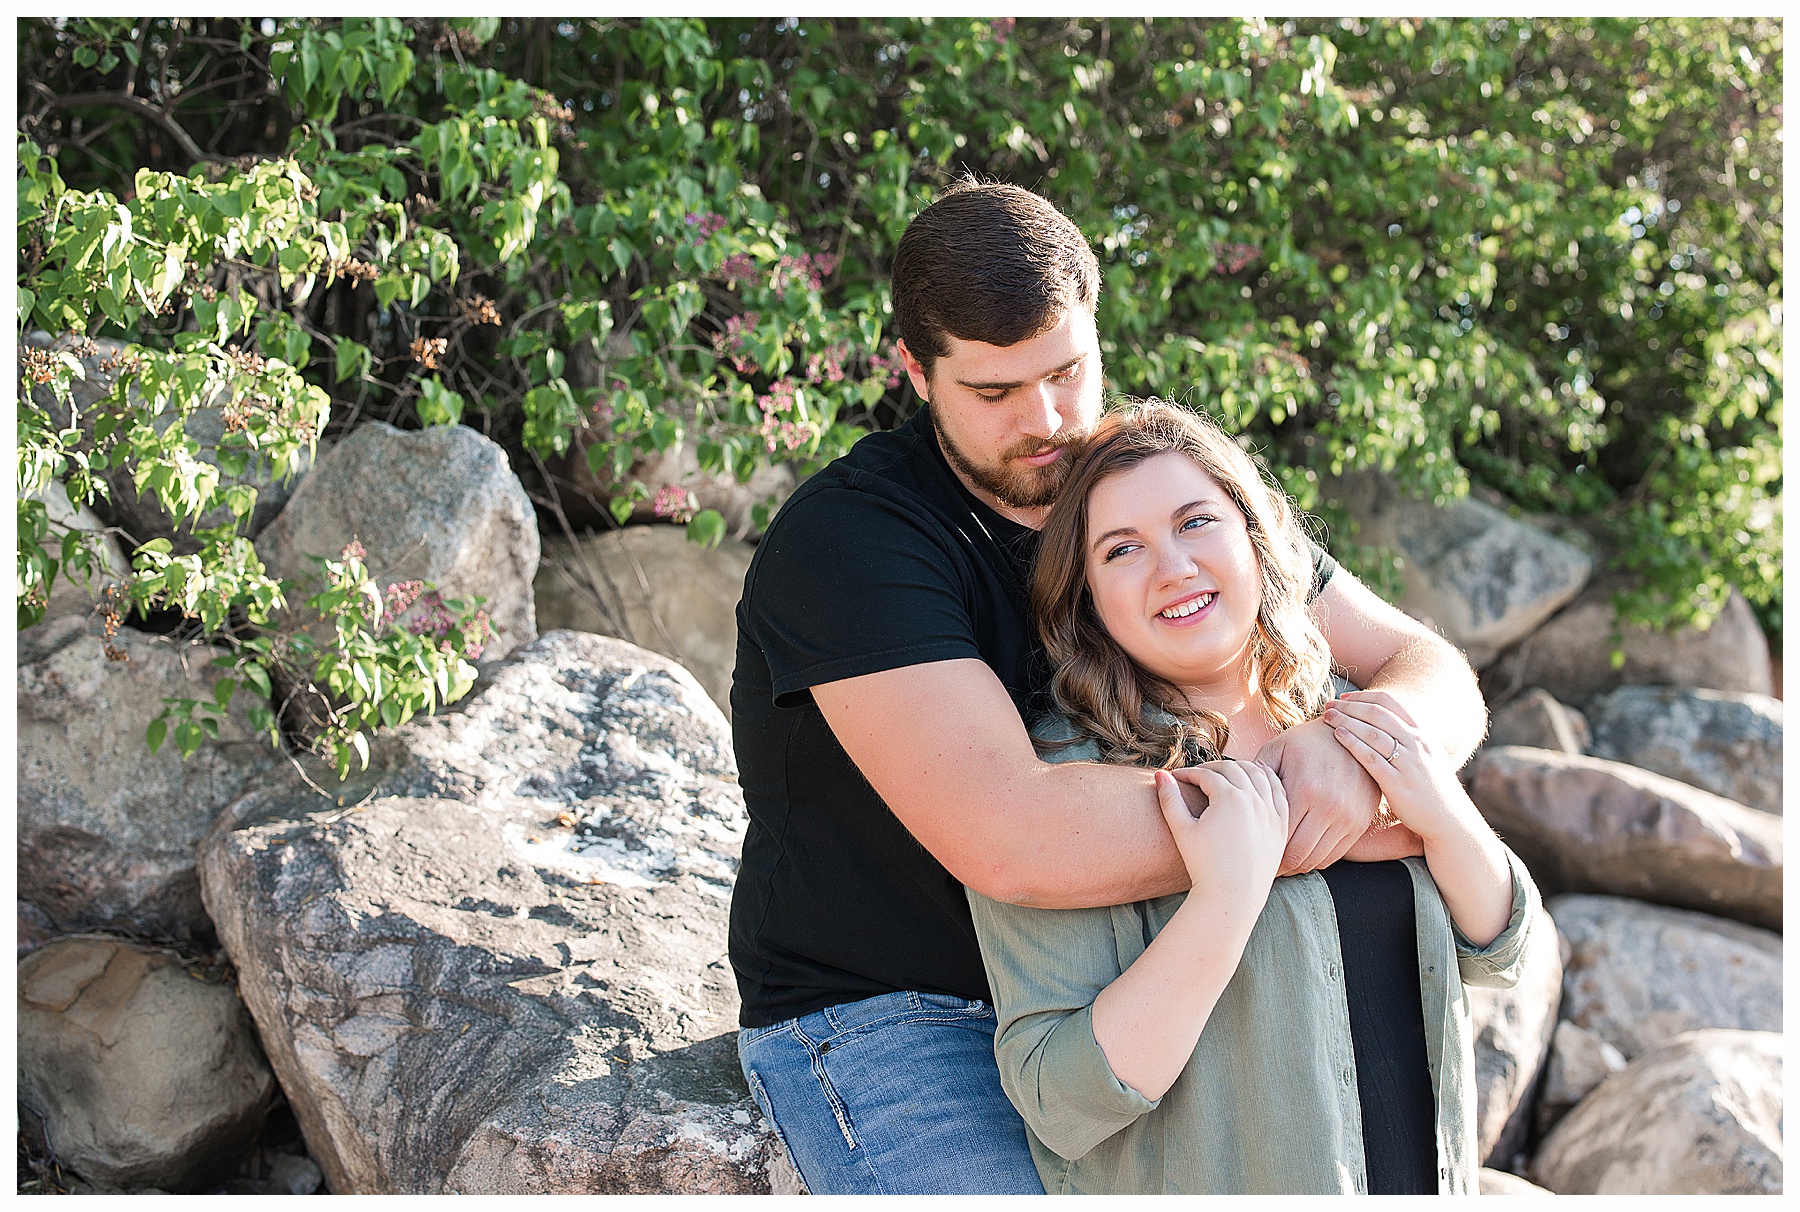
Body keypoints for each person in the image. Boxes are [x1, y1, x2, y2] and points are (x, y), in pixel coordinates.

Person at [728, 179, 1489, 1194]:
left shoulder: (1152, 487)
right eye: (995, 395)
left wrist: (1358, 747)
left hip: (1138, 961)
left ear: (1095, 328)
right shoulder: (853, 541)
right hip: (908, 1007)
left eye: (1066, 372)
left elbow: (1432, 671)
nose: (1046, 421)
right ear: (915, 370)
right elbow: (1018, 840)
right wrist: (1359, 804)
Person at [967, 400, 1543, 1194]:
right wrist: (1224, 899)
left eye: (1196, 522)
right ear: (1086, 595)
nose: (1174, 568)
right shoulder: (1063, 779)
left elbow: (1504, 948)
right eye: (1122, 549)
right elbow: (1056, 1099)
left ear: (1257, 535)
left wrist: (1439, 815)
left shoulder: (1348, 715)